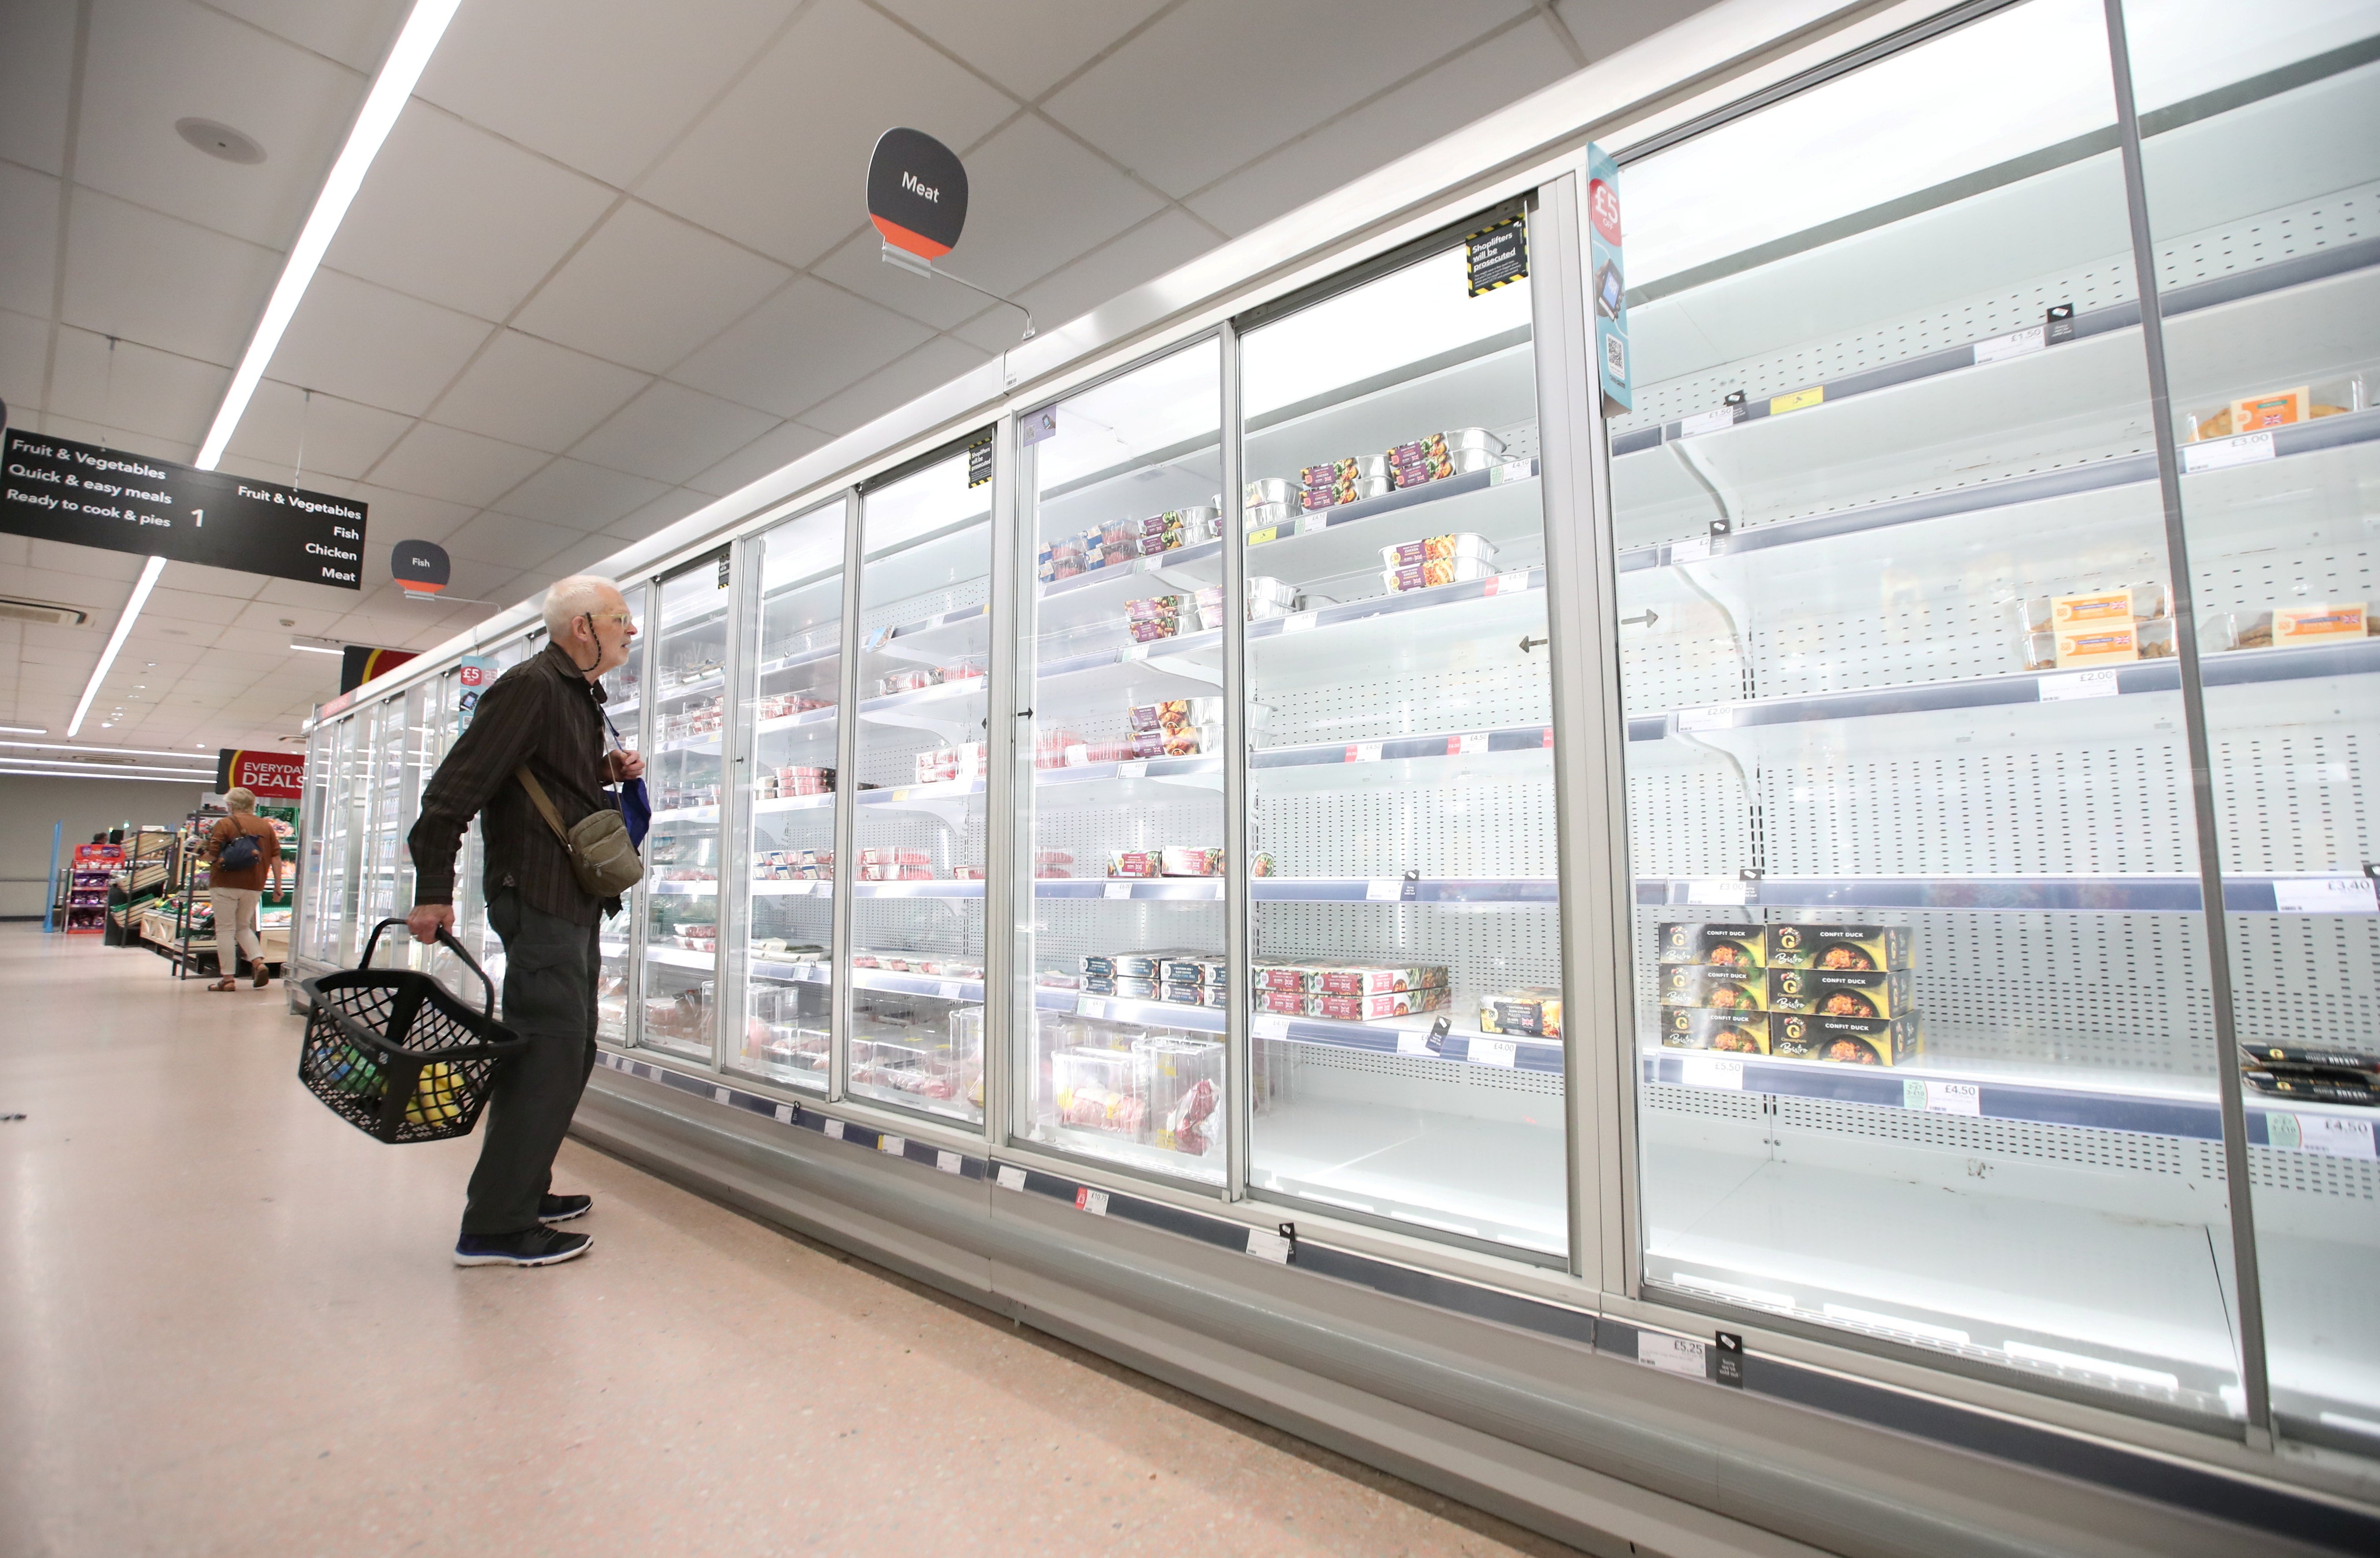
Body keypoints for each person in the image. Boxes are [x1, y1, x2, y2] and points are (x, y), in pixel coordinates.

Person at [406, 575, 643, 1269]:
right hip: (538, 897)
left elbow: (539, 777)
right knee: (546, 1052)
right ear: (582, 627)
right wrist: (432, 889)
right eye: (621, 619)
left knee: (568, 1051)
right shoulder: (530, 687)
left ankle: (522, 1188)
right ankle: (495, 1227)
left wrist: (604, 769)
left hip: (571, 897)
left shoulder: (574, 695)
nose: (631, 632)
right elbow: (451, 793)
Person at [202, 788, 282, 992]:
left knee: (226, 930)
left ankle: (228, 979)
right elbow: (275, 857)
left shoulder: (226, 824)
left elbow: (212, 856)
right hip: (255, 884)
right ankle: (259, 963)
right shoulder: (265, 826)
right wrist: (277, 886)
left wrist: (196, 853)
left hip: (225, 883)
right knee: (243, 926)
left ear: (231, 805)